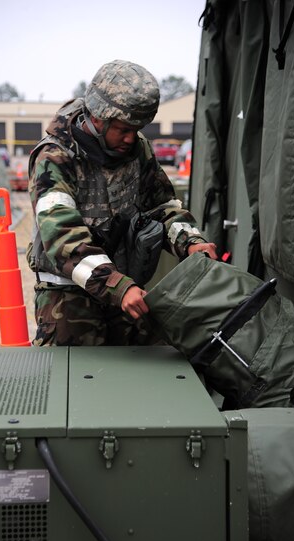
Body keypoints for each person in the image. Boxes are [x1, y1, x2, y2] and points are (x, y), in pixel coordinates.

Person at [26, 59, 217, 346]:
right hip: (68, 298)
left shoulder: (137, 149)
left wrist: (190, 240)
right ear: (98, 117)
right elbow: (62, 236)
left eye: (138, 128)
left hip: (124, 289)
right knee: (72, 384)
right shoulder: (54, 158)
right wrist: (117, 285)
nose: (131, 138)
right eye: (123, 129)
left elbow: (161, 207)